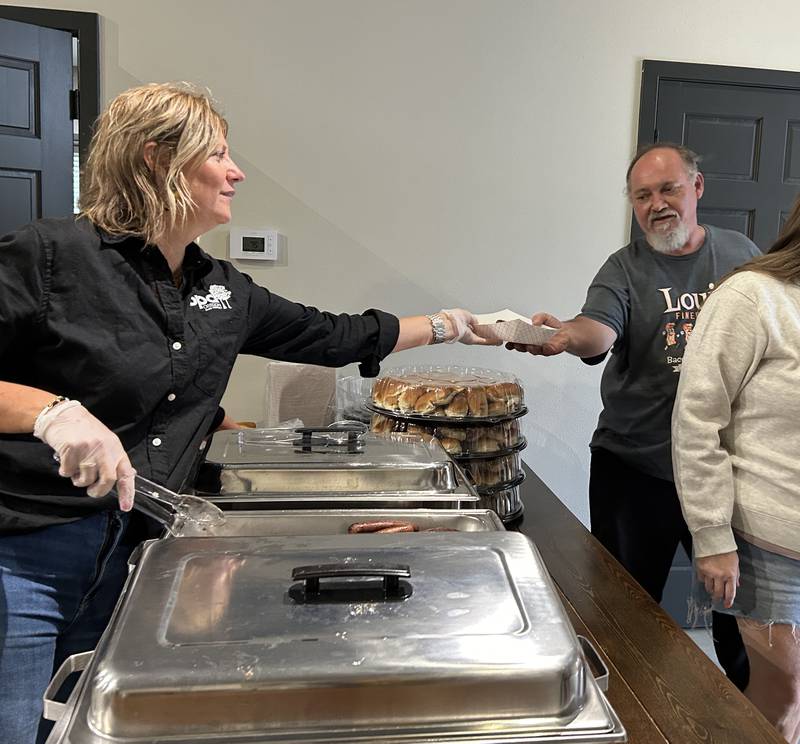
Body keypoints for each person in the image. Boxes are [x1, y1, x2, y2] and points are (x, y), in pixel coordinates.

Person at [0, 82, 497, 744]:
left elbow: (336, 335)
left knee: (96, 729)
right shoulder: (51, 255)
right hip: (27, 556)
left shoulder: (221, 291)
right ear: (155, 158)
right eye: (219, 154)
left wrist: (453, 323)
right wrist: (51, 413)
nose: (236, 172)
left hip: (139, 557)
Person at [506, 143, 760, 689]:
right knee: (624, 611)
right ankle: (627, 710)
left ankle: (755, 721)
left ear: (697, 188)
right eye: (642, 195)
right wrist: (563, 337)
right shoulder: (624, 267)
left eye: (668, 189)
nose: (657, 204)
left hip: (726, 471)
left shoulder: (741, 255)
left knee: (743, 619)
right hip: (636, 467)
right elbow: (597, 327)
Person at [672, 197, 800, 741]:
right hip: (767, 541)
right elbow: (697, 421)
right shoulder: (753, 296)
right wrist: (711, 535)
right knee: (784, 698)